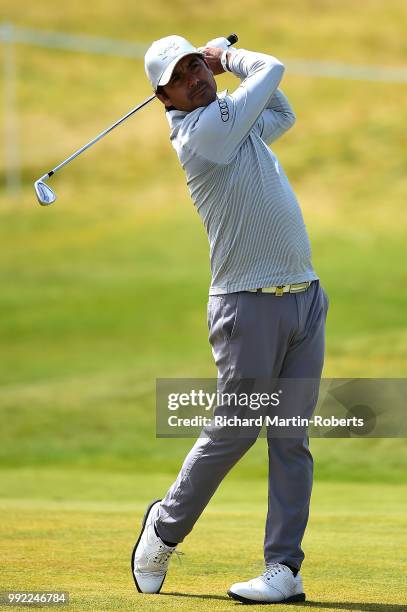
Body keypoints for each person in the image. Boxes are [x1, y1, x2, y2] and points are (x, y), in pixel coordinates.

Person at [131, 34, 329, 605]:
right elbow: (274, 69)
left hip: (303, 297)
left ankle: (283, 569)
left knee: (291, 438)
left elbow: (281, 108)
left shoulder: (231, 125)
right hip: (247, 307)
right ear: (164, 98)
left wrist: (228, 72)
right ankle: (164, 529)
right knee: (235, 431)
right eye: (182, 73)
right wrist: (226, 56)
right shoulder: (203, 136)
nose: (195, 74)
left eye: (197, 63)